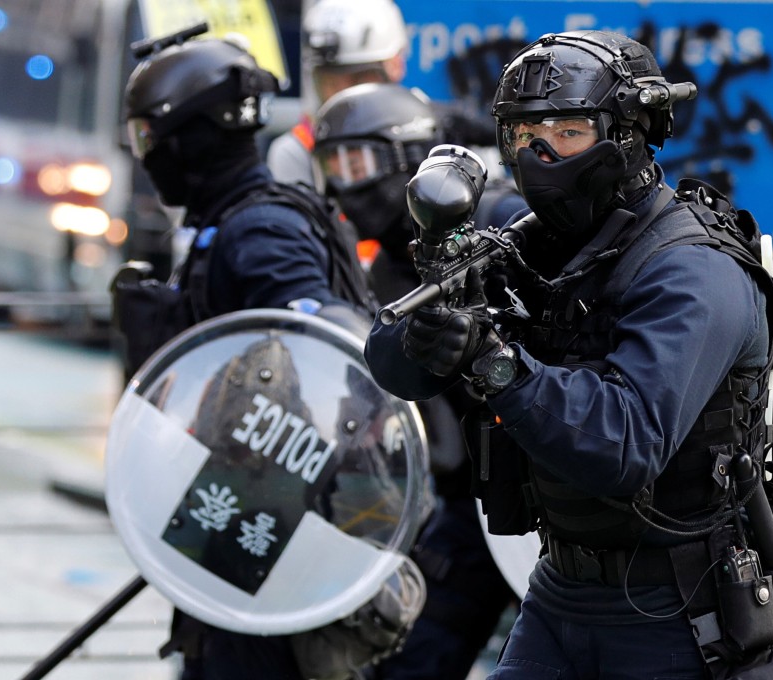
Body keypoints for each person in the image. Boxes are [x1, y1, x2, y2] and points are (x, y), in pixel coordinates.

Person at [364, 30, 773, 680]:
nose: (539, 153)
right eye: (523, 133)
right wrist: (430, 330)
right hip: (560, 587)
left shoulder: (693, 270)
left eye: (567, 130)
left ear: (627, 134)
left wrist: (492, 360)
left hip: (677, 604)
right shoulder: (536, 245)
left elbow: (625, 445)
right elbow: (391, 366)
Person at [116, 27, 422, 680]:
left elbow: (330, 355)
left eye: (148, 137)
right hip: (234, 505)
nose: (144, 155)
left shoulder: (261, 227)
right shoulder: (223, 220)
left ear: (191, 136)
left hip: (276, 518)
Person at [313, 81, 525, 679]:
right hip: (468, 500)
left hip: (552, 481)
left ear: (411, 155)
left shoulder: (502, 220)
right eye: (334, 166)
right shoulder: (386, 267)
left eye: (358, 161)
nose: (346, 184)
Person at [266, 0, 408, 185]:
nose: (342, 96)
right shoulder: (298, 150)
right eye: (329, 82)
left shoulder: (432, 137)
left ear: (395, 65)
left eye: (358, 79)